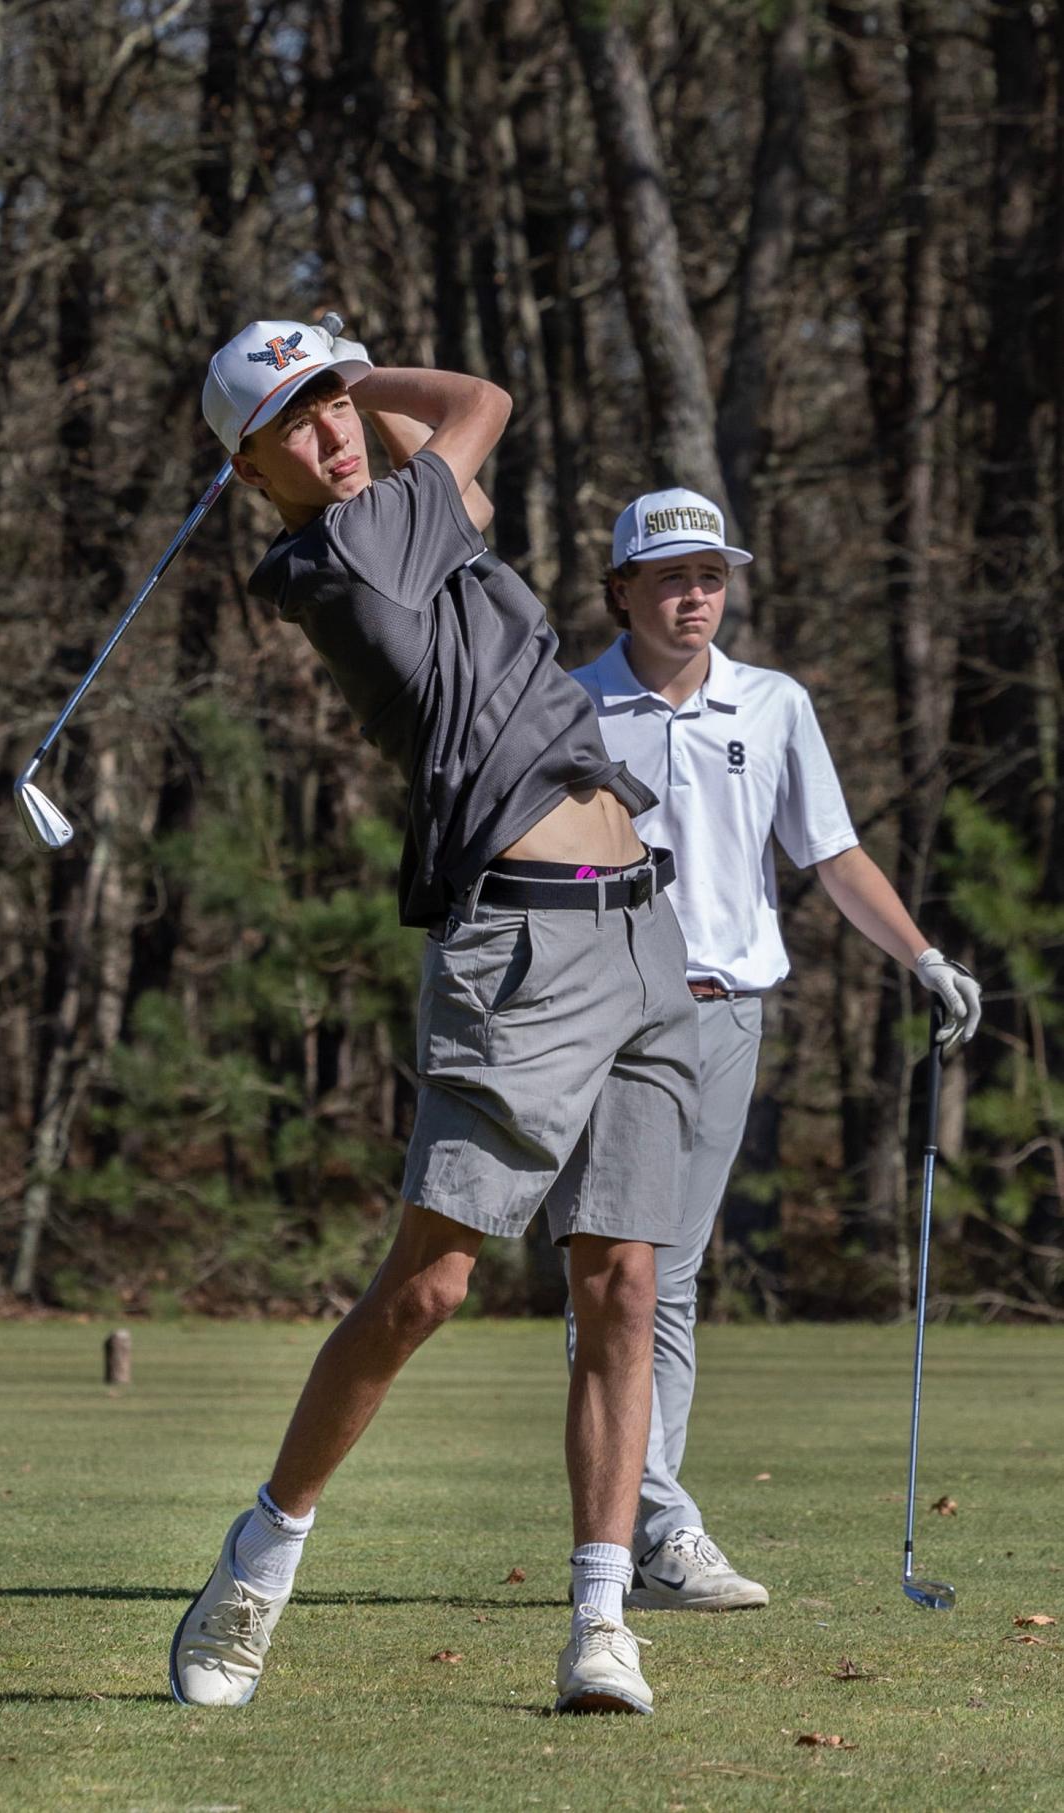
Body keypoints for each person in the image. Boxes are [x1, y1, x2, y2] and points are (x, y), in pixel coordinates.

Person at [168, 321, 699, 1716]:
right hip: (519, 950)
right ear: (249, 469)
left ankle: (599, 1622)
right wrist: (357, 358)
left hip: (641, 922)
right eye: (292, 423)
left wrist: (331, 374)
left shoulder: (403, 522)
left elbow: (451, 433)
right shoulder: (342, 555)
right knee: (430, 1287)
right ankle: (261, 1555)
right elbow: (477, 402)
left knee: (622, 1286)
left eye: (337, 404)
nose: (333, 430)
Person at [568, 487, 983, 1613]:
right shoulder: (572, 706)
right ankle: (658, 1526)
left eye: (710, 577)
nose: (694, 596)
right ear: (622, 592)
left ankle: (646, 1528)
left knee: (675, 1277)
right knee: (623, 1274)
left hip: (725, 1015)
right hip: (605, 1016)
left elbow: (832, 853)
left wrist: (921, 955)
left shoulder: (775, 704)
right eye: (670, 578)